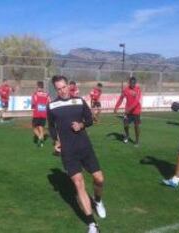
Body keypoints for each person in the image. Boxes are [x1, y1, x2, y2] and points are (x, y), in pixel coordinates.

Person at [47, 75, 106, 233]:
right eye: (58, 89)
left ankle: (98, 201)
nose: (62, 91)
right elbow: (51, 127)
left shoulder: (79, 101)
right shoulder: (52, 106)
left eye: (64, 87)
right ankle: (92, 224)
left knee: (99, 179)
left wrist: (81, 124)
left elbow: (90, 120)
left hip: (85, 148)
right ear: (56, 89)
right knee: (79, 183)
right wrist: (56, 142)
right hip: (68, 152)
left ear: (68, 86)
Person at [114, 77, 142, 146]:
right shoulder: (125, 90)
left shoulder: (138, 90)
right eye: (131, 83)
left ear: (135, 83)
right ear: (129, 83)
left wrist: (129, 109)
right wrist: (116, 107)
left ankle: (137, 141)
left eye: (134, 83)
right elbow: (121, 99)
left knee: (136, 126)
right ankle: (127, 135)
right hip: (128, 111)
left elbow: (136, 102)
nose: (133, 84)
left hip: (136, 111)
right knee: (125, 124)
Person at [31, 81, 50, 147]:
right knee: (41, 127)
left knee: (34, 128)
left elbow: (33, 104)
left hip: (37, 114)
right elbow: (49, 103)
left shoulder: (35, 94)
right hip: (44, 114)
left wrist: (33, 107)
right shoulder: (47, 95)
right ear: (43, 87)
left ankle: (39, 137)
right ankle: (42, 143)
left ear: (37, 86)